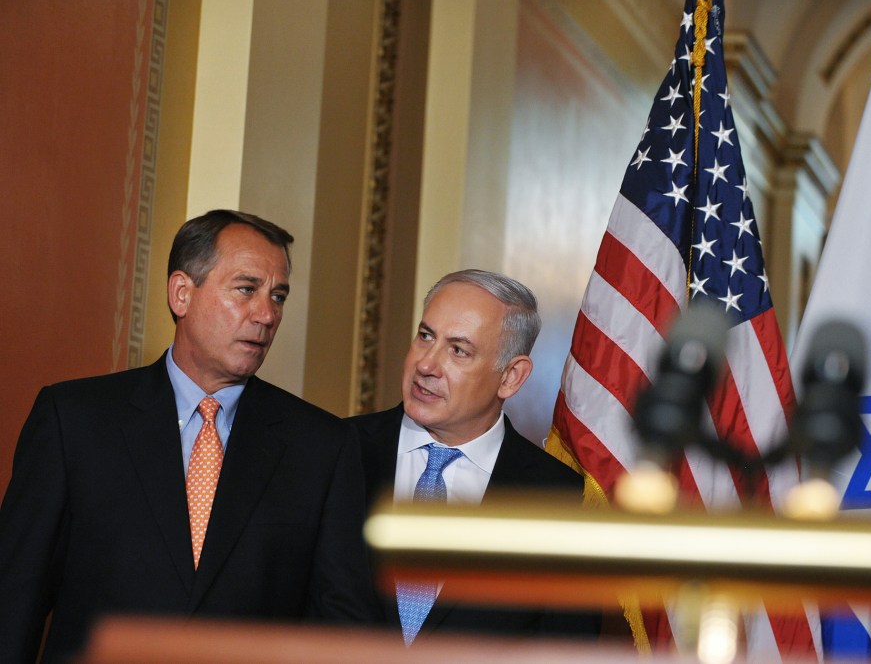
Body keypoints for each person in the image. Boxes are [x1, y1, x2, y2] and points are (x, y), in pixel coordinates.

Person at [0, 210, 375, 663]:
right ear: (182, 293)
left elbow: (340, 625)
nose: (267, 314)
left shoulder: (322, 447)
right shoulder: (74, 421)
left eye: (278, 296)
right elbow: (15, 596)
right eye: (246, 289)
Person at [351, 269, 600, 644]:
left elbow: (564, 650)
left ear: (511, 377)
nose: (426, 365)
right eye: (425, 336)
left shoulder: (560, 499)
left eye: (458, 350)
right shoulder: (337, 449)